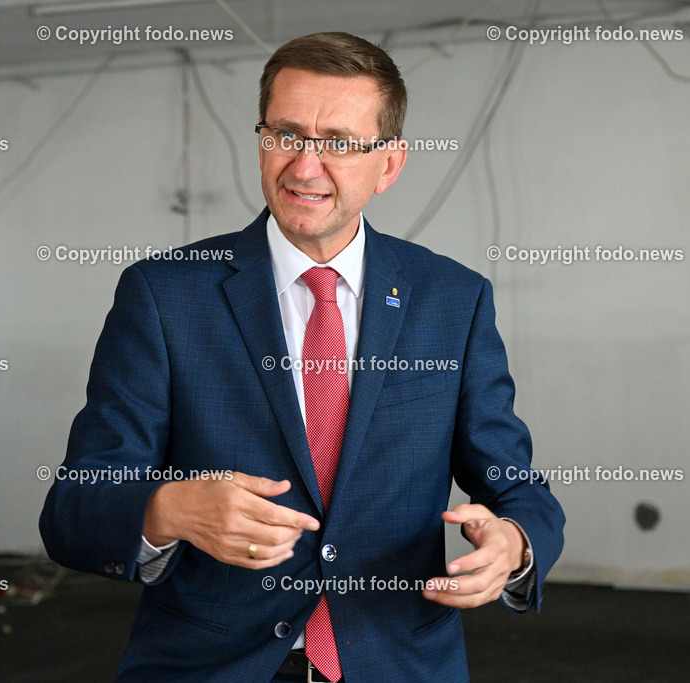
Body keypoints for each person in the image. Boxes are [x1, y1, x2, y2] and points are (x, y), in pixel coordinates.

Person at [40, 31, 565, 682]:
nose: (304, 166)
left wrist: (514, 543)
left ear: (389, 163)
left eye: (338, 143)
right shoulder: (164, 295)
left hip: (397, 665)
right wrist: (169, 509)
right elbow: (74, 509)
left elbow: (516, 487)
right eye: (286, 134)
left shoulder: (453, 300)